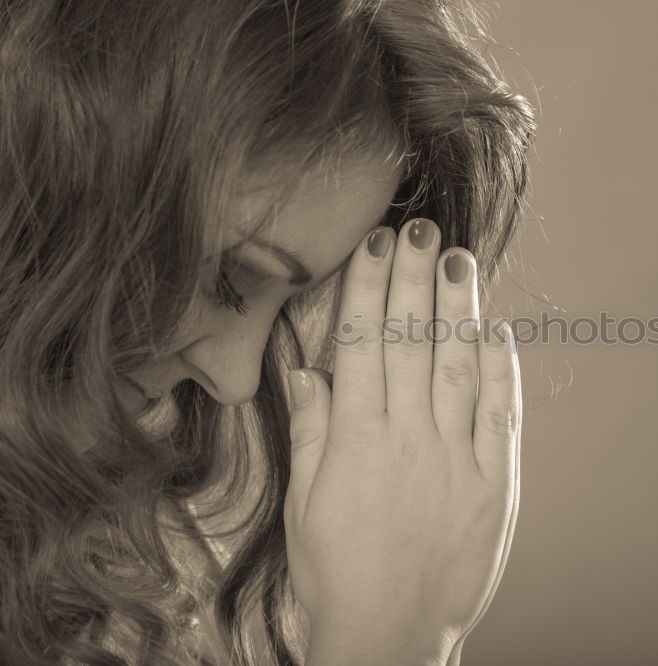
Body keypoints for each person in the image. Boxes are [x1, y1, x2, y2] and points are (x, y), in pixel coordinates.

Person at [0, 0, 535, 663]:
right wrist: (386, 636)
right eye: (231, 278)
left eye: (286, 305)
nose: (236, 379)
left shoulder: (107, 584)